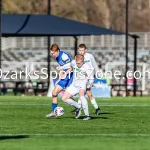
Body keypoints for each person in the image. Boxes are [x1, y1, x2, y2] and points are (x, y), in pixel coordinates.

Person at [46, 43, 81, 118]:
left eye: (53, 53)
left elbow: (71, 67)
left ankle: (78, 108)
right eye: (51, 53)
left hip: (71, 77)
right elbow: (63, 67)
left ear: (57, 51)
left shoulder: (64, 56)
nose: (52, 55)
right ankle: (54, 112)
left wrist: (64, 72)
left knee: (67, 97)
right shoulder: (57, 57)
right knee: (54, 93)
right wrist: (61, 75)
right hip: (65, 77)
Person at [72, 44, 101, 115]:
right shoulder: (77, 57)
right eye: (79, 50)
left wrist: (98, 74)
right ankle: (97, 108)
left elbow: (94, 65)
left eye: (82, 50)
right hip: (81, 78)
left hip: (89, 77)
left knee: (85, 93)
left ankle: (78, 108)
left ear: (85, 50)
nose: (81, 51)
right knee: (87, 93)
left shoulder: (89, 56)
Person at [62, 54, 93, 120]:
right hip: (74, 84)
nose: (77, 64)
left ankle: (87, 116)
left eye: (79, 63)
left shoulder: (86, 67)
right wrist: (61, 68)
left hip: (82, 85)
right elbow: (69, 65)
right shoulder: (74, 62)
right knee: (64, 98)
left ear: (82, 61)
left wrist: (90, 84)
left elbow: (91, 77)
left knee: (81, 96)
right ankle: (78, 107)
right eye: (76, 63)